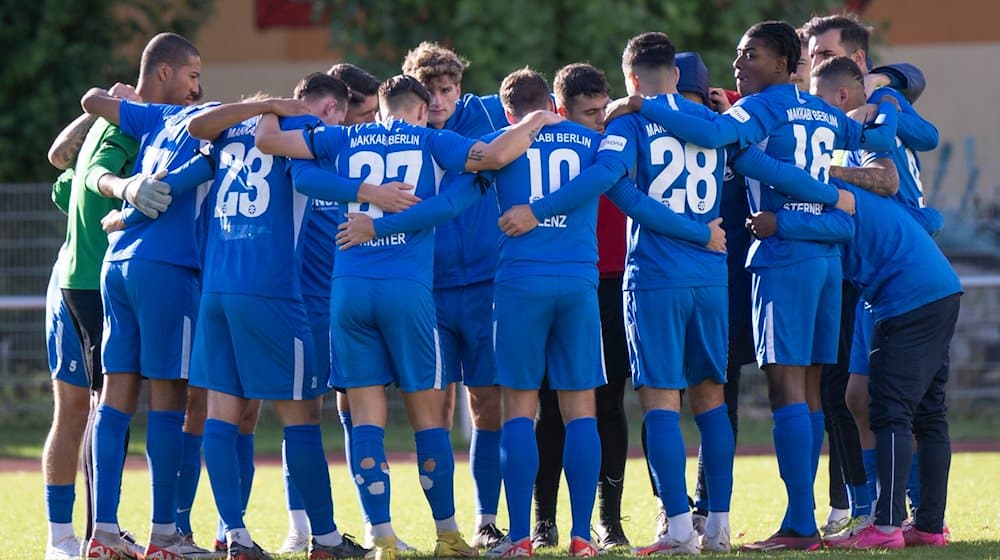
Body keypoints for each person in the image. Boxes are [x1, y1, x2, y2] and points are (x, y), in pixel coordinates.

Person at [610, 21, 898, 551]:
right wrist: (887, 109)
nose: (740, 65)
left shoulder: (759, 107)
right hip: (826, 259)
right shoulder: (824, 111)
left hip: (781, 259)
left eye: (752, 55)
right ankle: (796, 518)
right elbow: (874, 137)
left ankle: (797, 524)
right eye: (739, 54)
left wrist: (641, 105)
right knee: (810, 389)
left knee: (787, 388)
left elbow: (719, 138)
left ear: (785, 63)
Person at [255, 73, 561, 560]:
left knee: (367, 419)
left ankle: (383, 539)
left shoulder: (344, 136)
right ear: (421, 110)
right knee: (427, 419)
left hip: (349, 291)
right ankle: (447, 534)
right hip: (410, 292)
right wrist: (538, 119)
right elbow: (491, 162)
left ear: (378, 108)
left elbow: (294, 167)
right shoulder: (432, 139)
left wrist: (364, 195)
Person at [131, 72, 370, 560]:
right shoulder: (304, 134)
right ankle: (324, 540)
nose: (339, 124)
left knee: (221, 413)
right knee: (301, 414)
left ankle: (234, 536)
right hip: (273, 290)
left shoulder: (231, 133)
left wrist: (125, 213)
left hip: (216, 287)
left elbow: (197, 139)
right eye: (340, 114)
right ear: (327, 110)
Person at [749, 180, 960, 550]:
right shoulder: (861, 195)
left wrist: (777, 223)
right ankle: (927, 525)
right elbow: (926, 217)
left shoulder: (831, 196)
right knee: (929, 412)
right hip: (940, 289)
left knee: (891, 411)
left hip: (907, 299)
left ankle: (887, 526)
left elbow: (838, 225)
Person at [75, 31, 220, 560]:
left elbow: (91, 102)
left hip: (118, 265)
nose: (198, 89)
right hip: (166, 269)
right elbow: (196, 170)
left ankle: (103, 532)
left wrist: (124, 211)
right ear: (165, 72)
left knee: (114, 400)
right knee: (169, 401)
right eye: (193, 76)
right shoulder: (198, 126)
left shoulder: (147, 118)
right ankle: (164, 536)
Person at [800, 15, 941, 531]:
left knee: (905, 401)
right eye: (809, 56)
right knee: (853, 394)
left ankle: (917, 516)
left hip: (905, 268)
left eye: (819, 55)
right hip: (867, 274)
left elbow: (916, 145)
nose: (810, 63)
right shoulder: (829, 112)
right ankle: (870, 511)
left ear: (857, 63)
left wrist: (882, 99)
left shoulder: (880, 105)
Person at [276, 61, 387, 555]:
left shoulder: (360, 151)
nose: (362, 127)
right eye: (357, 115)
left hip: (349, 299)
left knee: (354, 407)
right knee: (302, 413)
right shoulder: (304, 150)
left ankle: (373, 525)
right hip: (303, 304)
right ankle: (300, 527)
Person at [401, 42, 507, 548]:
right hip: (428, 288)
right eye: (430, 92)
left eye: (447, 90)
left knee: (488, 403)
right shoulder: (399, 131)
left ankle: (487, 519)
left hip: (487, 281)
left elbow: (541, 106)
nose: (439, 100)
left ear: (459, 89)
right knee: (433, 408)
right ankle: (445, 525)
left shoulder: (486, 111)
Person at [527, 62, 631, 552]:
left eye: (602, 110)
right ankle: (543, 519)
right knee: (548, 404)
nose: (599, 120)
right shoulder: (539, 140)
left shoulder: (613, 138)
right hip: (563, 282)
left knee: (607, 404)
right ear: (559, 109)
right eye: (589, 113)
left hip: (613, 284)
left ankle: (609, 520)